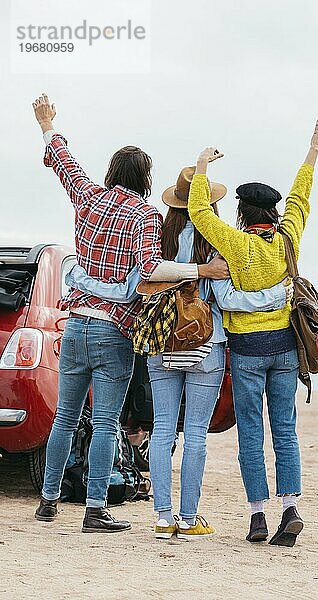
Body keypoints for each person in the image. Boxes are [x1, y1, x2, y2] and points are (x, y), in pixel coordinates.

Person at [31, 93, 229, 534]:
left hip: (76, 324)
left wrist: (47, 124)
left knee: (65, 416)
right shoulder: (145, 215)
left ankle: (47, 500)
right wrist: (203, 268)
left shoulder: (88, 197)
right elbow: (150, 269)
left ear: (111, 173)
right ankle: (95, 507)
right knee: (104, 422)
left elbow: (64, 162)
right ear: (145, 178)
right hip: (113, 329)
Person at [69, 165, 293, 539]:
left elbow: (143, 280)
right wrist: (276, 295)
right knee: (196, 435)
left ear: (174, 204)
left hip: (162, 344)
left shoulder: (160, 239)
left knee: (161, 432)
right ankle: (188, 519)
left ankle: (162, 517)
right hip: (206, 346)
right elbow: (227, 299)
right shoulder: (217, 244)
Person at [188, 120, 318, 545]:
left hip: (247, 351)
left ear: (241, 213)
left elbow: (197, 212)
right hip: (285, 349)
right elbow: (301, 199)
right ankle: (290, 507)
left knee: (251, 430)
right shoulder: (288, 238)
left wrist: (200, 166)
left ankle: (257, 517)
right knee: (284, 428)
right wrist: (312, 152)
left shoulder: (235, 243)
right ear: (273, 212)